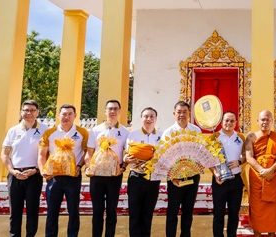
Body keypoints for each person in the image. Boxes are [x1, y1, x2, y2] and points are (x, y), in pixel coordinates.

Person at [39, 104, 89, 237]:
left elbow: (86, 152)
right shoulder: (50, 132)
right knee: (52, 211)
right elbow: (42, 155)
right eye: (64, 114)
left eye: (70, 114)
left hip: (73, 177)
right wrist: (44, 171)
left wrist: (79, 166)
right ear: (58, 115)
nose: (66, 117)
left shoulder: (82, 132)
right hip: (54, 177)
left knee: (73, 211)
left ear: (75, 116)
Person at [1, 100, 47, 237]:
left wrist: (37, 170)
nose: (29, 113)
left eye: (32, 110)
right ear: (21, 112)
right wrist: (12, 171)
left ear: (37, 112)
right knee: (15, 211)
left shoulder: (45, 130)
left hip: (34, 174)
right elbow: (4, 154)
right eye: (26, 110)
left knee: (32, 211)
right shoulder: (13, 131)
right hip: (15, 175)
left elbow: (49, 154)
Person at [86, 100, 129, 237]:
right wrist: (89, 167)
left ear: (119, 111)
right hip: (97, 175)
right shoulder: (95, 130)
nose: (112, 111)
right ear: (105, 111)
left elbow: (127, 153)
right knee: (97, 210)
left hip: (114, 176)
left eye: (115, 109)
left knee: (112, 210)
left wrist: (124, 167)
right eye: (110, 109)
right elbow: (89, 152)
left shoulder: (125, 132)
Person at [161, 101, 202, 237]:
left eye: (185, 112)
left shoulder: (196, 131)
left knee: (188, 210)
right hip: (174, 177)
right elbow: (163, 155)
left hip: (192, 175)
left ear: (189, 113)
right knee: (172, 210)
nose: (182, 115)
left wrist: (200, 163)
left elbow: (200, 151)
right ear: (174, 114)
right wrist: (170, 175)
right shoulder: (168, 132)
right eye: (179, 112)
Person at [245, 110, 276, 237]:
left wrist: (271, 170)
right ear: (258, 121)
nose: (265, 122)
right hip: (257, 177)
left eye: (268, 119)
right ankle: (257, 234)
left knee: (273, 210)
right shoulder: (251, 136)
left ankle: (272, 234)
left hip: (274, 176)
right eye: (263, 119)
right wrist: (262, 170)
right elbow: (249, 157)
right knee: (257, 209)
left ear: (273, 122)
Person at [125, 107, 162, 237]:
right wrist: (126, 159)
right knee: (134, 214)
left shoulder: (162, 136)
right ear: (141, 118)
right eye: (146, 116)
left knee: (147, 214)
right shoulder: (133, 135)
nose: (149, 119)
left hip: (153, 179)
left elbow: (164, 156)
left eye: (152, 116)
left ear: (156, 119)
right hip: (136, 177)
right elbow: (126, 155)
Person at [210, 111, 245, 237]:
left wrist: (239, 161)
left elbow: (246, 156)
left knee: (234, 213)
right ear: (222, 121)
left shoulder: (240, 137)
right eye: (226, 120)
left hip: (236, 180)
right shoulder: (214, 137)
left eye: (232, 121)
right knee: (218, 214)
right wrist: (215, 173)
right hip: (220, 180)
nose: (229, 123)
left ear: (236, 122)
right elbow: (207, 158)